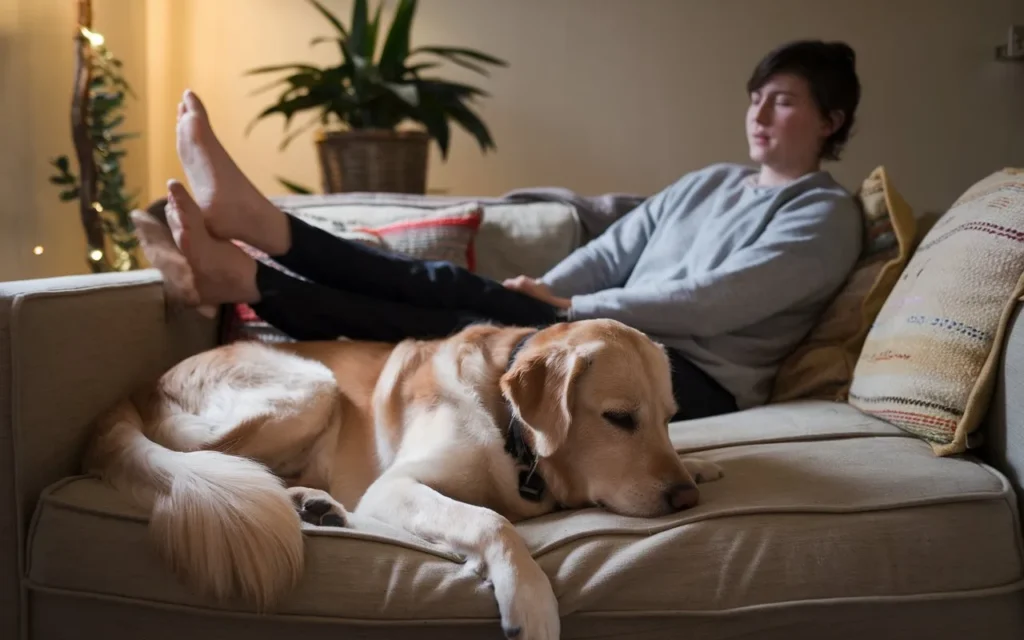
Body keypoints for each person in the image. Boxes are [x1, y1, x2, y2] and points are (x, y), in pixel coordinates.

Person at [136, 39, 863, 423]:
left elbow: (714, 301)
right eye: (756, 99)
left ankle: (258, 262)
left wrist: (571, 310)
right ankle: (257, 249)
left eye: (786, 102)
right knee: (452, 302)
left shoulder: (824, 218)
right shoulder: (709, 182)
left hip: (688, 383)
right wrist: (553, 290)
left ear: (830, 121)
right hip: (614, 339)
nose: (760, 115)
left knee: (455, 315)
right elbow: (618, 247)